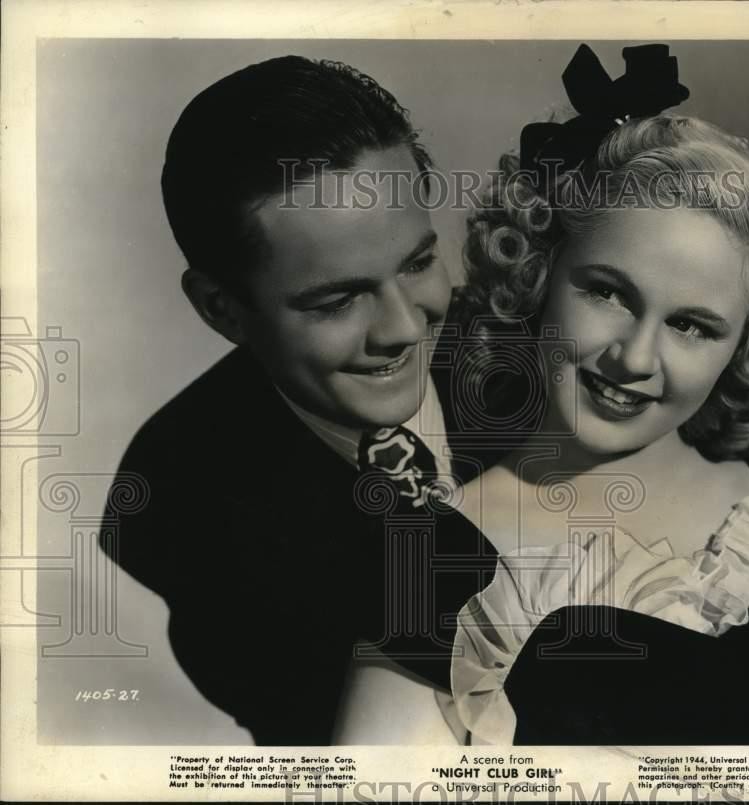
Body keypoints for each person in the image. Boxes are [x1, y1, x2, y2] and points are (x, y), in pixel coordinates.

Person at [338, 43, 749, 745]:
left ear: (744, 343)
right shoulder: (438, 560)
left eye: (691, 325)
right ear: (537, 271)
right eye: (608, 293)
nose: (635, 357)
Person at [98, 55, 499, 745]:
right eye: (338, 299)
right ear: (222, 309)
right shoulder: (175, 505)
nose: (405, 326)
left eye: (418, 262)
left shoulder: (539, 345)